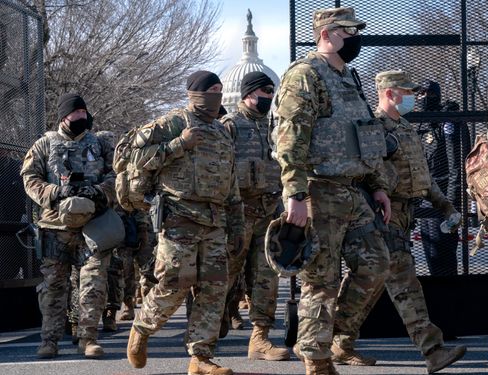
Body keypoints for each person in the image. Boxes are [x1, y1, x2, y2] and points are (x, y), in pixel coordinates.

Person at [274, 7, 392, 374]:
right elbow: (290, 140)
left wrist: (377, 186)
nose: (357, 38)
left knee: (376, 264)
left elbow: (365, 135)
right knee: (319, 279)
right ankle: (316, 358)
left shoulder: (350, 78)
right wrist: (295, 196)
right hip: (318, 191)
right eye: (350, 31)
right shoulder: (305, 76)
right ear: (327, 34)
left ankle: (336, 338)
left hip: (353, 191)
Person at [332, 70, 467, 373]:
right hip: (383, 215)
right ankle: (432, 350)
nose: (412, 97)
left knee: (374, 282)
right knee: (404, 282)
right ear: (390, 93)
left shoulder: (405, 128)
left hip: (406, 214)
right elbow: (365, 173)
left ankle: (338, 341)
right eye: (407, 92)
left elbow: (424, 177)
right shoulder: (374, 128)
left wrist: (445, 206)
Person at [126, 71, 245, 375]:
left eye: (220, 90)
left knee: (214, 289)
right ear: (195, 93)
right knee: (175, 283)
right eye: (211, 90)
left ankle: (200, 357)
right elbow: (136, 157)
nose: (217, 95)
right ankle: (142, 328)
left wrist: (237, 225)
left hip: (215, 220)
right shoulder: (173, 123)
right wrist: (179, 144)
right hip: (180, 215)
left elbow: (231, 184)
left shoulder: (222, 132)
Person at [21, 93, 115, 359]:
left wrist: (99, 191)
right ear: (64, 117)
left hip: (94, 225)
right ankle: (49, 341)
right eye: (77, 114)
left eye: (85, 113)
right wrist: (53, 192)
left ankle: (88, 338)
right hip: (56, 226)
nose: (82, 118)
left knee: (93, 284)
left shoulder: (99, 144)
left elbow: (117, 175)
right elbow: (29, 177)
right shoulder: (44, 145)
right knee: (54, 286)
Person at [221, 71, 289, 361]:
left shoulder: (275, 128)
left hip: (268, 213)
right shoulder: (230, 126)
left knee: (266, 277)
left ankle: (260, 338)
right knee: (225, 276)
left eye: (271, 93)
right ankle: (211, 327)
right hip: (238, 214)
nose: (268, 99)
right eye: (263, 93)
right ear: (248, 94)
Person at [415, 81, 459, 276]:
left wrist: (451, 206)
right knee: (431, 257)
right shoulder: (423, 125)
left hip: (442, 201)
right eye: (419, 94)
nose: (421, 98)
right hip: (424, 200)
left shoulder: (446, 123)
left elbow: (455, 167)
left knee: (443, 258)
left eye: (426, 93)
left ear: (435, 95)